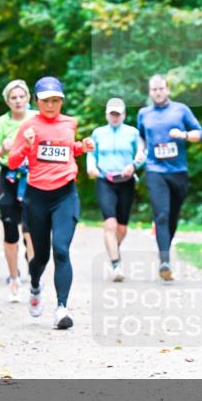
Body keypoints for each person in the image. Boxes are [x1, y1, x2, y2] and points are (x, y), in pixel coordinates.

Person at [7, 76, 94, 330]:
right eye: (46, 101)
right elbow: (12, 161)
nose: (51, 105)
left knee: (62, 250)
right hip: (37, 197)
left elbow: (66, 148)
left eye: (56, 100)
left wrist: (82, 146)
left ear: (61, 101)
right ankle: (34, 284)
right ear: (37, 101)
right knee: (41, 256)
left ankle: (61, 308)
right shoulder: (28, 127)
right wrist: (28, 146)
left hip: (65, 194)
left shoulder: (70, 123)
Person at [136, 74, 202, 281]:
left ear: (168, 90)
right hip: (155, 170)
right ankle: (164, 260)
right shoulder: (143, 113)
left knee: (173, 216)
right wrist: (141, 150)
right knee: (162, 215)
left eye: (161, 89)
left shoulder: (180, 110)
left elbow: (200, 133)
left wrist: (183, 135)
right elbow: (141, 136)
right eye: (153, 89)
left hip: (178, 171)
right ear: (150, 92)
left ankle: (165, 248)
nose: (157, 92)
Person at [0, 80, 37, 302]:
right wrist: (2, 149)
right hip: (8, 176)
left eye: (21, 96)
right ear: (7, 101)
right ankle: (14, 278)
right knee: (10, 230)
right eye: (13, 98)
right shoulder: (1, 123)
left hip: (33, 176)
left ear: (27, 98)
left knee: (31, 230)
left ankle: (34, 276)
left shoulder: (36, 118)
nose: (18, 101)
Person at [87, 98, 145, 282]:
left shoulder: (133, 133)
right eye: (112, 114)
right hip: (105, 180)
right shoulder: (98, 133)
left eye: (118, 114)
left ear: (124, 115)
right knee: (110, 224)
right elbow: (91, 153)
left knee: (121, 228)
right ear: (106, 114)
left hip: (126, 181)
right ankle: (116, 264)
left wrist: (134, 166)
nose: (115, 117)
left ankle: (114, 249)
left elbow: (143, 154)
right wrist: (91, 167)